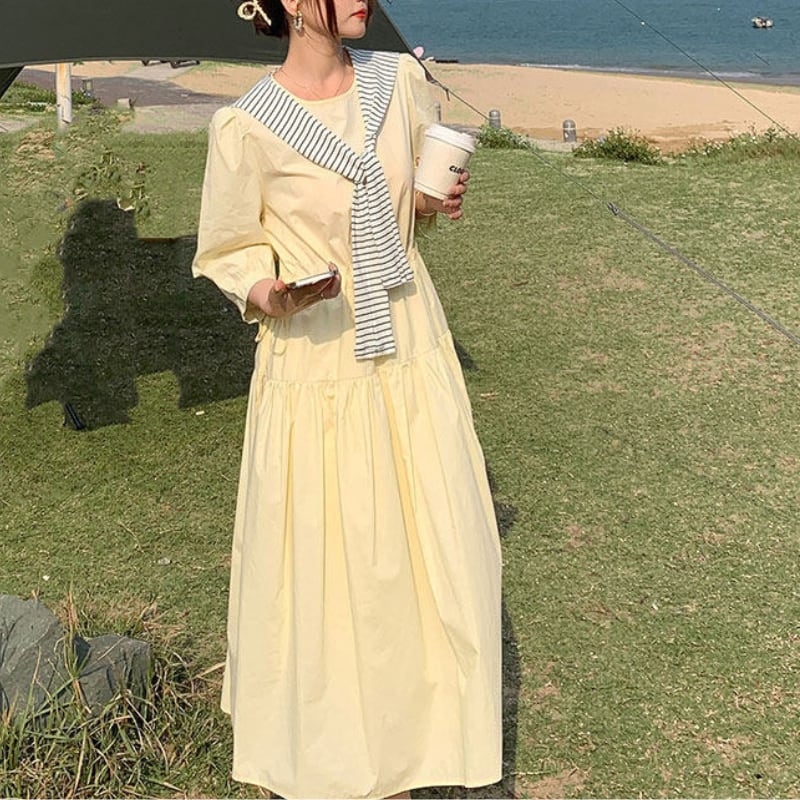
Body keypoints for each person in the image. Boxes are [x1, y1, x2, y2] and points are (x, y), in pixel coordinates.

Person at [192, 0, 502, 797]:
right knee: (330, 570)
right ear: (292, 4)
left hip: (409, 342)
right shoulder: (244, 127)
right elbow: (228, 248)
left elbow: (406, 206)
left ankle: (415, 750)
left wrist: (429, 203)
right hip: (315, 362)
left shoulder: (399, 82)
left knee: (428, 553)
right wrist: (272, 292)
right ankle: (327, 762)